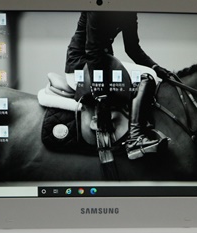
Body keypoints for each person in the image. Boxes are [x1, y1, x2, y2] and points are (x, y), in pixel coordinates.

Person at [65, 12, 173, 158]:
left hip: (102, 61)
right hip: (82, 65)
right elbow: (92, 51)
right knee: (146, 76)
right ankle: (135, 138)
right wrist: (101, 97)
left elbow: (132, 48)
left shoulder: (130, 12)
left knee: (151, 72)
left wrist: (156, 68)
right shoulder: (97, 9)